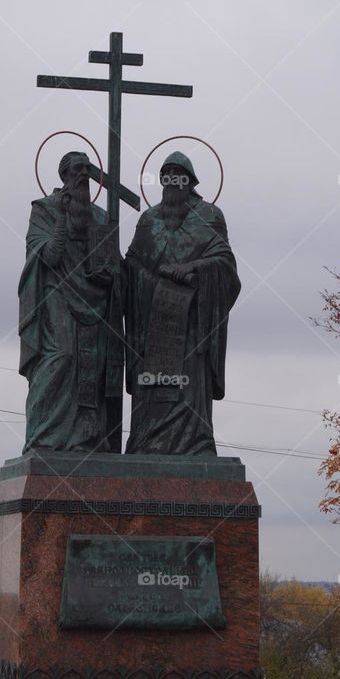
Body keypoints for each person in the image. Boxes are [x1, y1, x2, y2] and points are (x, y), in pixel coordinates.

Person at [125, 151, 240, 455]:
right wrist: (153, 282)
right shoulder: (148, 220)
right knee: (153, 388)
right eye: (167, 176)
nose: (172, 182)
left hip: (193, 321)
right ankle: (147, 443)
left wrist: (193, 268)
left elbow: (225, 263)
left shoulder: (210, 215)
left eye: (179, 175)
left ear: (190, 182)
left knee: (189, 386)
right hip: (154, 321)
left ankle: (195, 444)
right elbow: (132, 264)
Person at [19, 152, 123, 453]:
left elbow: (114, 265)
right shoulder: (44, 210)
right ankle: (44, 437)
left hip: (96, 301)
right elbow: (47, 257)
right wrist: (63, 220)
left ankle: (85, 439)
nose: (82, 175)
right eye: (77, 170)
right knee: (62, 356)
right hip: (57, 293)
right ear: (64, 175)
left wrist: (112, 273)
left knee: (92, 364)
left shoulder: (102, 217)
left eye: (87, 170)